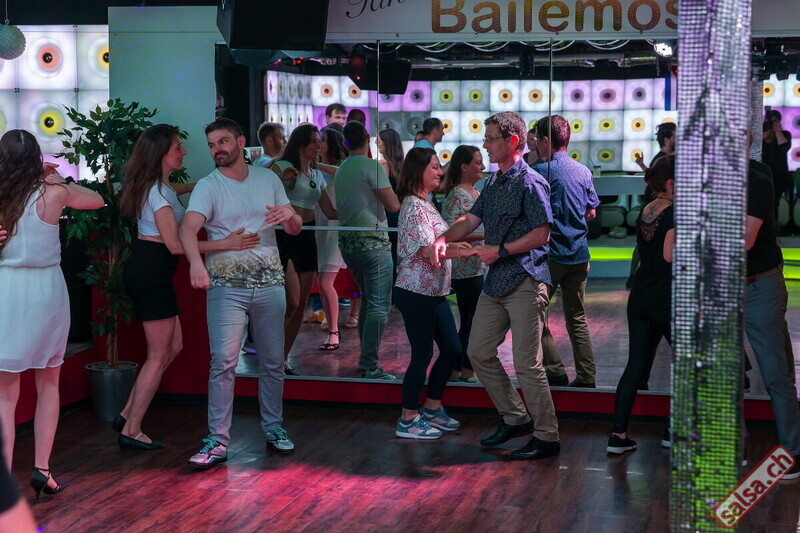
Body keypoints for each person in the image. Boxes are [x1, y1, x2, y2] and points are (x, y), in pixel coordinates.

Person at [116, 124, 260, 450]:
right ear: (161, 155)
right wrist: (227, 243)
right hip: (151, 273)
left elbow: (177, 193)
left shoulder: (161, 187)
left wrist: (209, 183)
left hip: (153, 272)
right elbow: (176, 245)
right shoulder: (157, 193)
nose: (183, 152)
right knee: (157, 355)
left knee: (174, 346)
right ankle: (132, 430)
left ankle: (126, 414)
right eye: (177, 148)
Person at [432, 112, 560, 460]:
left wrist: (500, 250)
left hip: (526, 278)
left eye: (490, 139)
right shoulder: (494, 182)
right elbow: (470, 219)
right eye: (486, 139)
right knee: (477, 351)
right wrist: (443, 239)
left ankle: (547, 436)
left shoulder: (531, 182)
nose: (486, 145)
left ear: (512, 142)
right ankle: (516, 418)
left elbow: (542, 233)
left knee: (527, 364)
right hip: (497, 281)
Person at [180, 118, 302, 466]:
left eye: (222, 142)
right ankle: (217, 441)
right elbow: (187, 231)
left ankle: (274, 427)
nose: (217, 149)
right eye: (212, 145)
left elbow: (294, 229)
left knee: (273, 362)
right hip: (226, 287)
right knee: (223, 362)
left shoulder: (268, 178)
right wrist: (198, 264)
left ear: (241, 142)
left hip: (270, 284)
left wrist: (289, 215)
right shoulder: (208, 186)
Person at [0, 129, 104, 496]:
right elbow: (97, 200)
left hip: (8, 289)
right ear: (36, 160)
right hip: (47, 290)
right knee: (49, 383)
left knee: (4, 395)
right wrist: (57, 179)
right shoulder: (54, 193)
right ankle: (42, 469)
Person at [394, 148, 468, 439]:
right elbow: (429, 251)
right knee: (422, 354)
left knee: (452, 348)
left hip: (433, 291)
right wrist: (469, 251)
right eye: (435, 167)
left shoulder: (427, 203)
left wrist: (465, 245)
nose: (440, 172)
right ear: (418, 171)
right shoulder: (413, 206)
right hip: (416, 292)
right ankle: (408, 419)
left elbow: (440, 241)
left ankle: (433, 407)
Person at [607, 155, 675, 454]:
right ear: (671, 183)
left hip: (641, 297)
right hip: (667, 299)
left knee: (635, 367)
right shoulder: (675, 212)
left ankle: (618, 435)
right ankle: (673, 431)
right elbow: (670, 256)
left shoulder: (645, 209)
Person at [743, 134, 800, 479]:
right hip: (724, 287)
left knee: (776, 372)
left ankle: (793, 450)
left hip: (759, 285)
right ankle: (735, 442)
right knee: (725, 372)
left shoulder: (757, 178)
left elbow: (745, 240)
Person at [533, 115, 600, 388]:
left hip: (551, 256)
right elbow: (591, 211)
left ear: (545, 140)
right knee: (577, 318)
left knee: (534, 313)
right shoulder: (583, 171)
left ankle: (555, 369)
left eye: (537, 139)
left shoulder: (539, 172)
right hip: (579, 254)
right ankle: (587, 377)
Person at [335, 121, 401, 379]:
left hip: (348, 244)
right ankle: (369, 365)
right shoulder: (371, 166)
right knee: (378, 306)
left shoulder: (343, 168)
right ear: (367, 139)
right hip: (373, 243)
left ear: (344, 143)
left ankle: (367, 361)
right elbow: (393, 205)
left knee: (368, 301)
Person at [271, 125, 337, 374]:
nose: (318, 146)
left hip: (307, 237)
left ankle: (282, 358)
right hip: (284, 236)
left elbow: (330, 212)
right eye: (313, 141)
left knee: (301, 305)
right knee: (292, 300)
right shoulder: (282, 167)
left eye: (319, 141)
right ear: (300, 145)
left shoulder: (316, 175)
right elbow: (268, 183)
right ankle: (271, 352)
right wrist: (282, 176)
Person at [442, 145, 487, 383]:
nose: (483, 166)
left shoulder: (474, 192)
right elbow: (451, 232)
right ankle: (462, 368)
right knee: (475, 319)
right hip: (464, 267)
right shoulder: (457, 195)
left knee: (472, 319)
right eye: (478, 162)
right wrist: (486, 235)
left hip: (476, 264)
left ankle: (459, 368)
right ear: (464, 167)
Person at [376, 128, 405, 270]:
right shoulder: (402, 166)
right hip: (400, 214)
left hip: (387, 213)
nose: (376, 143)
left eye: (379, 141)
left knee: (388, 254)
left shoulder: (382, 164)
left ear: (387, 143)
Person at [761, 109, 792, 217]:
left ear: (779, 122)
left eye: (775, 121)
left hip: (779, 176)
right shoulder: (762, 134)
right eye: (770, 122)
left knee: (775, 203)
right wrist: (765, 134)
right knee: (763, 203)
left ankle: (774, 224)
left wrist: (777, 130)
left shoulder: (785, 134)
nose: (772, 124)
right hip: (763, 175)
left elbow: (784, 148)